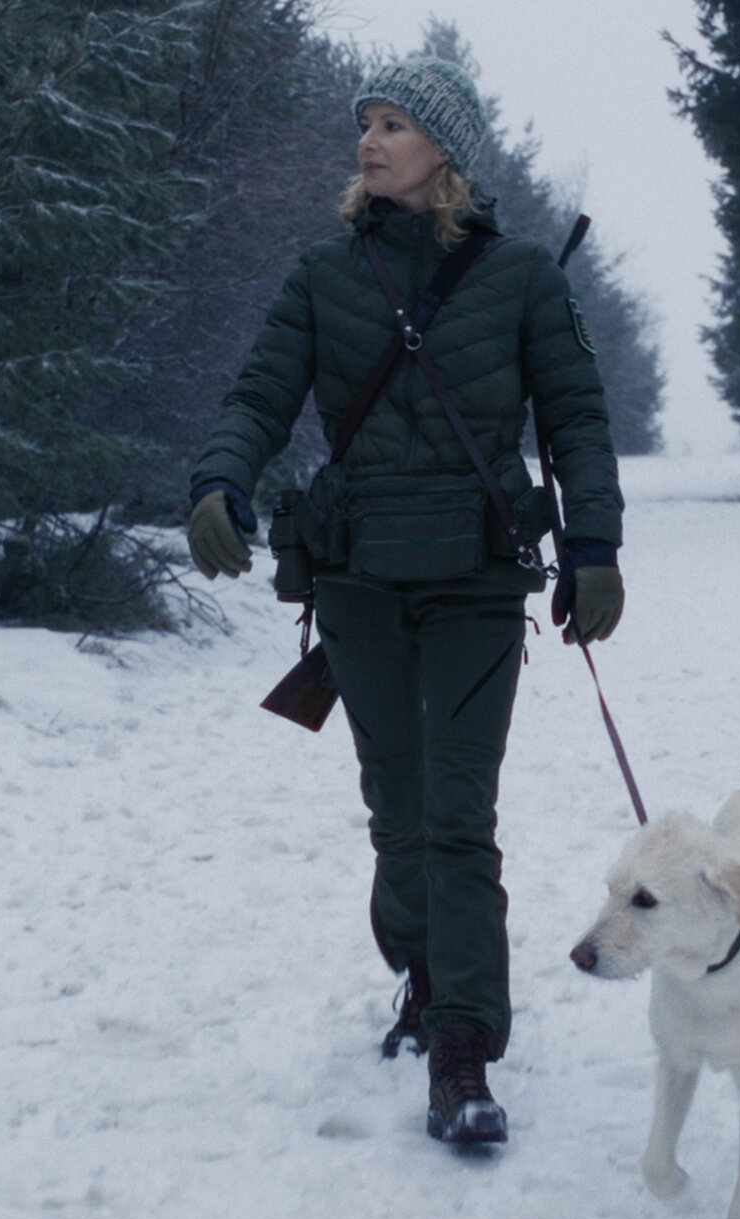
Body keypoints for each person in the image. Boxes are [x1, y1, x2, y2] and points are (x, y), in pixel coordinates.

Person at [185, 56, 623, 1146]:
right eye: (366, 125)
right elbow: (259, 392)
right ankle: (425, 974)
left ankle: (466, 1049)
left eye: (394, 125)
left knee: (457, 814)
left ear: (447, 153)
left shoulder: (524, 277)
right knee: (398, 811)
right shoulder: (321, 275)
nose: (370, 141)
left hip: (477, 582)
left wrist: (595, 547)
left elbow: (576, 422)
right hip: (360, 582)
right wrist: (218, 480)